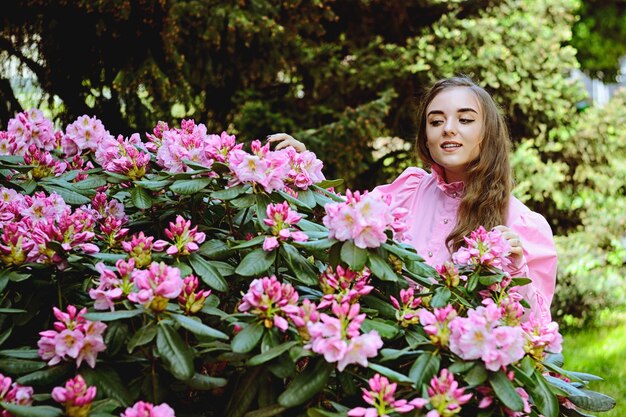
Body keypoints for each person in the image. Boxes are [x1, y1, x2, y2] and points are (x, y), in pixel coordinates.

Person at [267, 76, 557, 319]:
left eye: (465, 119)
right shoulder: (408, 190)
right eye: (436, 121)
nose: (448, 128)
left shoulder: (522, 224)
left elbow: (535, 328)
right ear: (425, 136)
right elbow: (345, 218)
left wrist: (515, 264)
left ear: (488, 132)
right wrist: (304, 173)